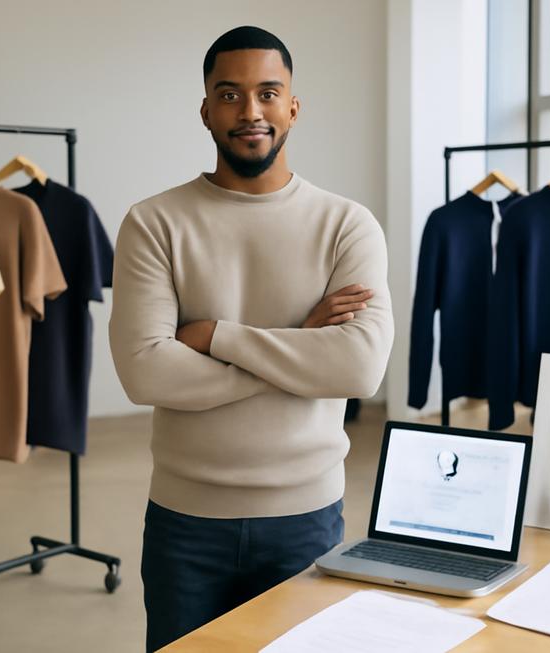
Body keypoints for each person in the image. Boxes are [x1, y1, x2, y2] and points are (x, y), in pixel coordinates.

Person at [109, 25, 394, 651]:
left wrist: (214, 336)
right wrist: (300, 344)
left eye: (268, 92)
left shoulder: (347, 225)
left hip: (306, 519)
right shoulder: (153, 223)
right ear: (206, 109)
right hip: (185, 524)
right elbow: (144, 373)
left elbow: (359, 368)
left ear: (293, 105)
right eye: (230, 95)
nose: (250, 111)